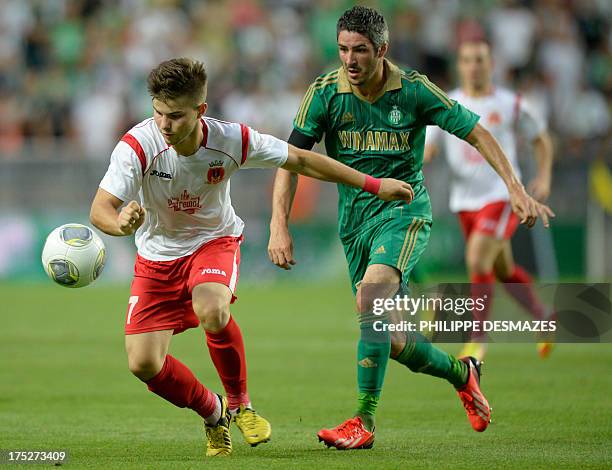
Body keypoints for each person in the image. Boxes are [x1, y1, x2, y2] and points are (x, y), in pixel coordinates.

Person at [89, 57, 414, 457]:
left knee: (212, 308)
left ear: (200, 111)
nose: (165, 125)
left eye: (175, 116)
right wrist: (122, 223)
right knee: (143, 364)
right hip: (156, 257)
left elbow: (301, 159)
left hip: (213, 241)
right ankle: (213, 412)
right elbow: (100, 209)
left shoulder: (231, 139)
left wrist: (374, 184)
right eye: (158, 113)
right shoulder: (139, 145)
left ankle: (241, 404)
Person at [268, 6, 554, 450]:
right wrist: (277, 225)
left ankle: (363, 420)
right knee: (396, 340)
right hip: (354, 223)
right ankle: (464, 374)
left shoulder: (415, 90)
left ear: (381, 50)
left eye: (360, 50)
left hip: (404, 213)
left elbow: (476, 131)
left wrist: (515, 187)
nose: (349, 60)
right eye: (343, 49)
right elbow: (291, 159)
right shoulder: (323, 93)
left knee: (371, 298)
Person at [424, 39, 554, 360]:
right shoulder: (448, 103)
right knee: (502, 269)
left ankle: (477, 340)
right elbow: (429, 148)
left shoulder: (510, 103)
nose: (474, 66)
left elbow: (540, 138)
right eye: (467, 59)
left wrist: (544, 176)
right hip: (464, 201)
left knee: (477, 260)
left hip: (501, 196)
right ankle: (543, 317)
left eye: (480, 59)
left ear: (490, 64)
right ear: (459, 65)